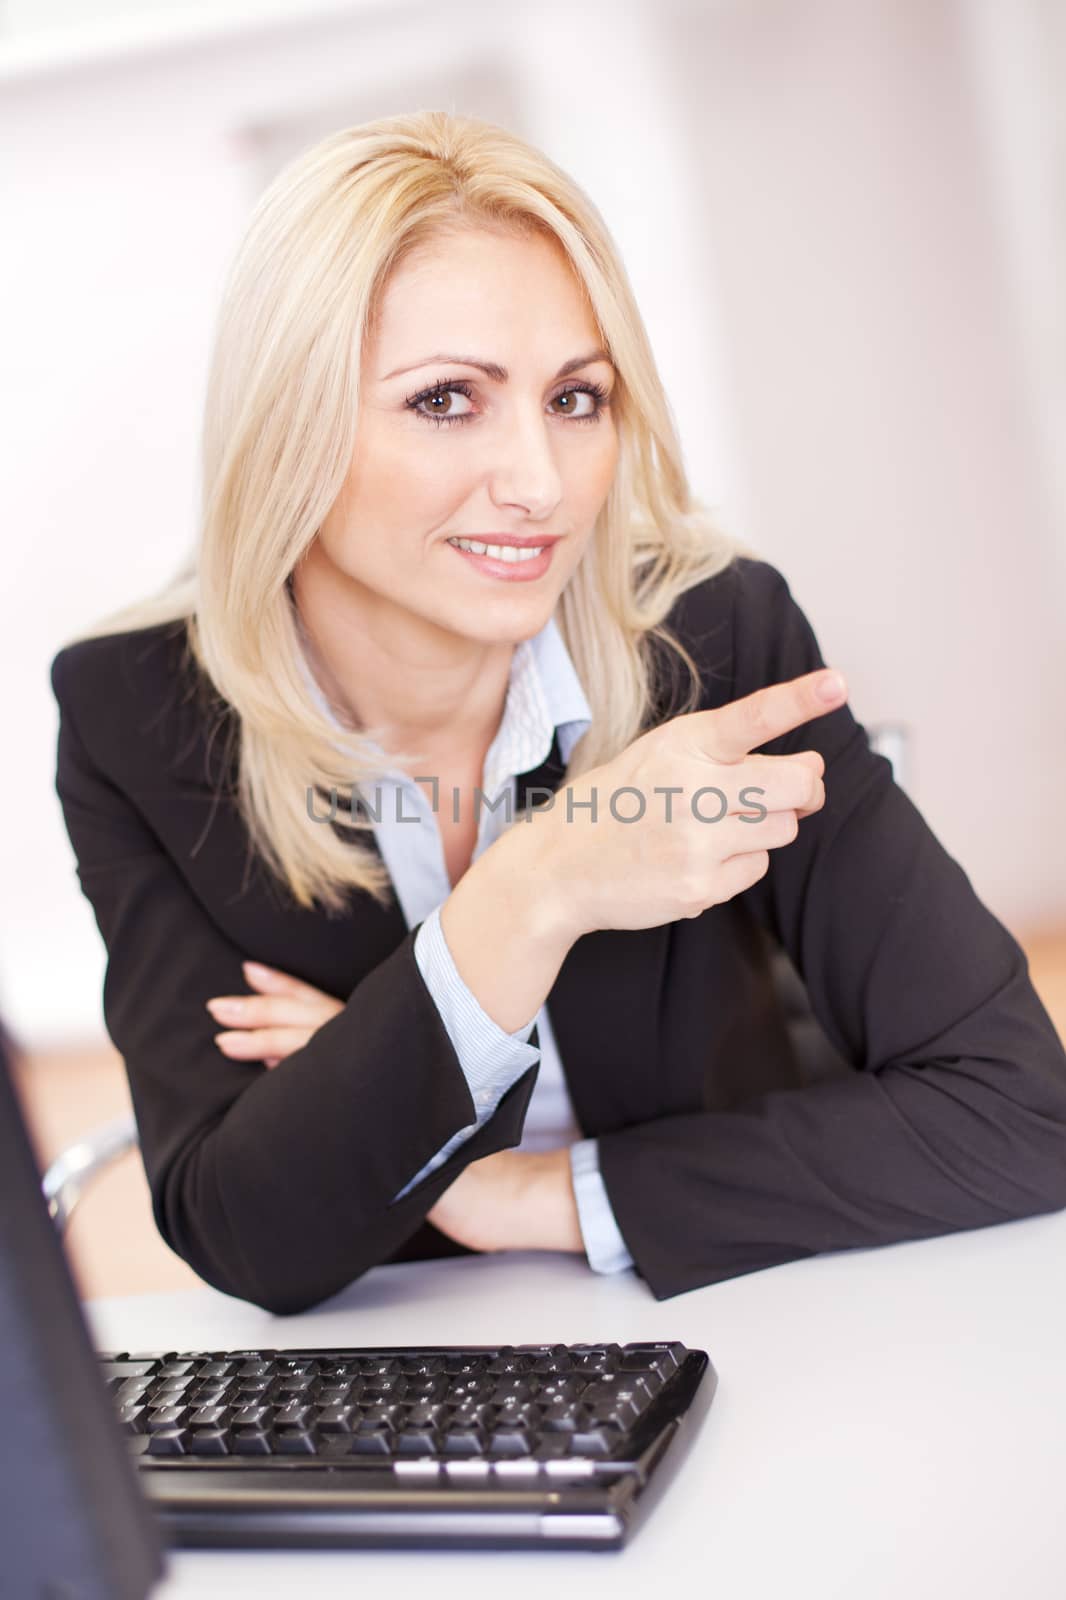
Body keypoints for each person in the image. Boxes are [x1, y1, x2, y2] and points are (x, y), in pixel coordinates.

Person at [49, 111, 1066, 1315]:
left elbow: (1021, 1116)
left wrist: (522, 1193)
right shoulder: (143, 711)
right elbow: (246, 1233)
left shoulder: (718, 638)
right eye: (445, 401)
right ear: (288, 424)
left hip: (733, 1311)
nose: (538, 482)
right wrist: (535, 889)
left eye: (575, 398)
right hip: (413, 1375)